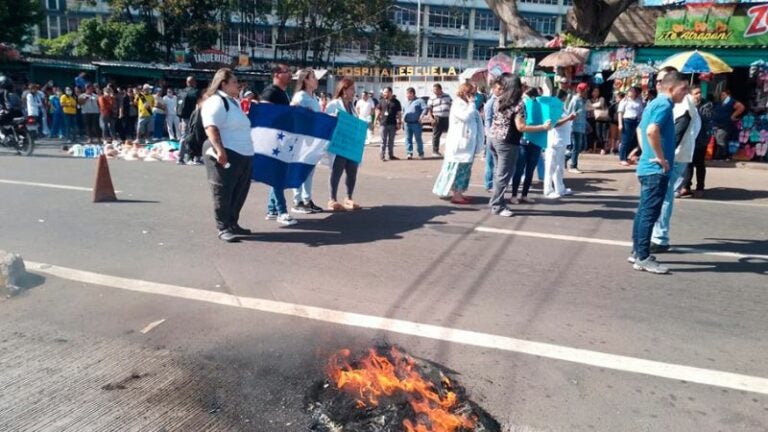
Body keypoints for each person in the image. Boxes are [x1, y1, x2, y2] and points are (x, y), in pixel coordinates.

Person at [629, 70, 689, 274]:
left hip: (648, 166)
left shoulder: (653, 103)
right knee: (649, 213)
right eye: (684, 88)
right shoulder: (664, 104)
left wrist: (646, 151)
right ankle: (643, 257)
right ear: (671, 87)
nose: (686, 93)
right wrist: (660, 158)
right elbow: (650, 131)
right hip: (655, 169)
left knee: (644, 212)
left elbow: (640, 129)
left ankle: (638, 252)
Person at [201, 68, 254, 243]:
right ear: (223, 83)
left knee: (239, 191)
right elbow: (211, 127)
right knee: (223, 191)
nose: (237, 85)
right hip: (227, 151)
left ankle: (233, 222)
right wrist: (220, 150)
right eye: (234, 82)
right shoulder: (216, 101)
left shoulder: (233, 102)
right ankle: (223, 227)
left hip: (243, 153)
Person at [651, 83, 700, 253]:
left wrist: (663, 157)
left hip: (676, 157)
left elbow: (678, 132)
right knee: (665, 193)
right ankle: (658, 235)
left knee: (664, 195)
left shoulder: (684, 105)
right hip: (680, 155)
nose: (659, 84)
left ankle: (660, 238)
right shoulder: (685, 105)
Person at [432, 83, 485, 204]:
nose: (474, 96)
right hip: (460, 145)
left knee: (465, 170)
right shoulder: (458, 104)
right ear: (466, 93)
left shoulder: (466, 104)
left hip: (467, 144)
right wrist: (472, 104)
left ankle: (460, 192)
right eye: (472, 93)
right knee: (458, 170)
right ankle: (456, 195)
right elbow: (465, 117)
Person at [260, 64, 296, 226]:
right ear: (276, 74)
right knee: (278, 176)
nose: (289, 74)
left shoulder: (282, 93)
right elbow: (265, 114)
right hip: (274, 140)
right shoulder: (271, 92)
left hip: (282, 139)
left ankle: (272, 209)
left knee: (278, 174)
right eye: (286, 72)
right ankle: (282, 211)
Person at [289, 68, 324, 214]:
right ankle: (297, 201)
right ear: (305, 80)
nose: (316, 80)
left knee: (309, 170)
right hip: (301, 140)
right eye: (313, 77)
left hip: (312, 139)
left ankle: (307, 199)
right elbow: (293, 112)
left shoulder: (314, 97)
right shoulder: (300, 96)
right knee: (299, 169)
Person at [326, 78, 363, 212]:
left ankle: (348, 197)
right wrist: (334, 116)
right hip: (339, 144)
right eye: (352, 89)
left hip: (351, 145)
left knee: (352, 171)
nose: (354, 92)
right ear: (344, 90)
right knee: (337, 170)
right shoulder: (334, 104)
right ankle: (332, 199)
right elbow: (327, 119)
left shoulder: (352, 106)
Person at [510, 88, 552, 204]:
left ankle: (524, 195)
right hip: (523, 141)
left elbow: (551, 120)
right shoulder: (521, 106)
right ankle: (514, 195)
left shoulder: (541, 106)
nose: (526, 98)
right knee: (519, 169)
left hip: (536, 142)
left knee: (530, 170)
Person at [679, 85, 713, 198]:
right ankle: (686, 186)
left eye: (699, 93)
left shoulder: (706, 104)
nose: (698, 95)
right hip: (689, 138)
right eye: (696, 93)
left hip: (700, 139)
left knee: (699, 164)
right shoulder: (686, 103)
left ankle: (700, 187)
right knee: (688, 162)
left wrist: (695, 107)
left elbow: (706, 117)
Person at [544, 90, 577, 199]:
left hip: (562, 141)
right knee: (550, 167)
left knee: (559, 167)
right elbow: (555, 124)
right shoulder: (553, 107)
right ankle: (548, 190)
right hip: (554, 141)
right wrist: (569, 118)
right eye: (564, 98)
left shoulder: (562, 107)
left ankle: (560, 188)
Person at [711, 88, 745, 159]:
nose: (722, 96)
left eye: (724, 95)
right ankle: (719, 155)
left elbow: (741, 107)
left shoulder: (731, 101)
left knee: (721, 140)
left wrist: (733, 116)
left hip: (725, 125)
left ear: (728, 95)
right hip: (716, 125)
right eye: (721, 95)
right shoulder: (720, 103)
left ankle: (722, 156)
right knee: (718, 140)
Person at [482, 80, 502, 192]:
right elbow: (487, 120)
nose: (500, 91)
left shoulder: (499, 100)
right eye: (498, 89)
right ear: (493, 89)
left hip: (496, 135)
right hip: (491, 136)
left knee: (496, 162)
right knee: (490, 162)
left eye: (502, 89)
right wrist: (489, 135)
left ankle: (493, 183)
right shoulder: (491, 102)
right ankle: (489, 184)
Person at [566, 82, 588, 173]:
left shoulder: (582, 100)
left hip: (582, 126)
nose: (587, 91)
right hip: (575, 126)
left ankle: (566, 157)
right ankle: (573, 166)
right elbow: (570, 113)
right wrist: (576, 114)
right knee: (576, 147)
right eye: (586, 89)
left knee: (581, 146)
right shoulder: (575, 100)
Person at [618, 87, 644, 166]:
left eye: (633, 91)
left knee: (633, 140)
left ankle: (628, 157)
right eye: (630, 91)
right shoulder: (624, 101)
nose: (631, 92)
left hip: (635, 121)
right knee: (625, 140)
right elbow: (620, 112)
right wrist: (620, 123)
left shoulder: (638, 101)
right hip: (627, 120)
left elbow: (640, 112)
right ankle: (622, 158)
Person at [375, 87, 402, 161]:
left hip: (392, 124)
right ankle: (382, 156)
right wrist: (375, 120)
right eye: (384, 92)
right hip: (383, 123)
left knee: (391, 141)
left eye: (386, 92)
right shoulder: (381, 101)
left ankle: (391, 155)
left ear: (390, 93)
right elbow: (378, 110)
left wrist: (399, 122)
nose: (384, 94)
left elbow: (399, 113)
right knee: (383, 140)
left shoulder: (396, 102)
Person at [427, 83, 452, 157]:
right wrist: (431, 118)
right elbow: (429, 109)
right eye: (433, 90)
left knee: (450, 134)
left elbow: (452, 106)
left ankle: (449, 150)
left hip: (447, 118)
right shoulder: (431, 98)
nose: (434, 91)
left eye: (436, 90)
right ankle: (435, 151)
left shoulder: (447, 96)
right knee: (436, 135)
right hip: (437, 118)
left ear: (440, 89)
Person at [402, 87, 427, 159]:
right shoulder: (405, 102)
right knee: (408, 138)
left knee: (418, 138)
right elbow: (403, 111)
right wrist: (402, 121)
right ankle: (409, 153)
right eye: (406, 94)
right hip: (407, 123)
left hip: (416, 123)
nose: (407, 95)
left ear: (412, 93)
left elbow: (425, 108)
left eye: (408, 94)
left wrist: (422, 116)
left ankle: (421, 153)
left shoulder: (419, 101)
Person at [590, 88, 610, 154]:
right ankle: (595, 148)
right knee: (597, 134)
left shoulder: (601, 98)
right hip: (595, 119)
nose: (595, 93)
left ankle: (603, 148)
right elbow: (587, 106)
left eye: (597, 91)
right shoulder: (590, 100)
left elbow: (600, 104)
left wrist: (592, 106)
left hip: (603, 118)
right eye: (594, 91)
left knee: (603, 134)